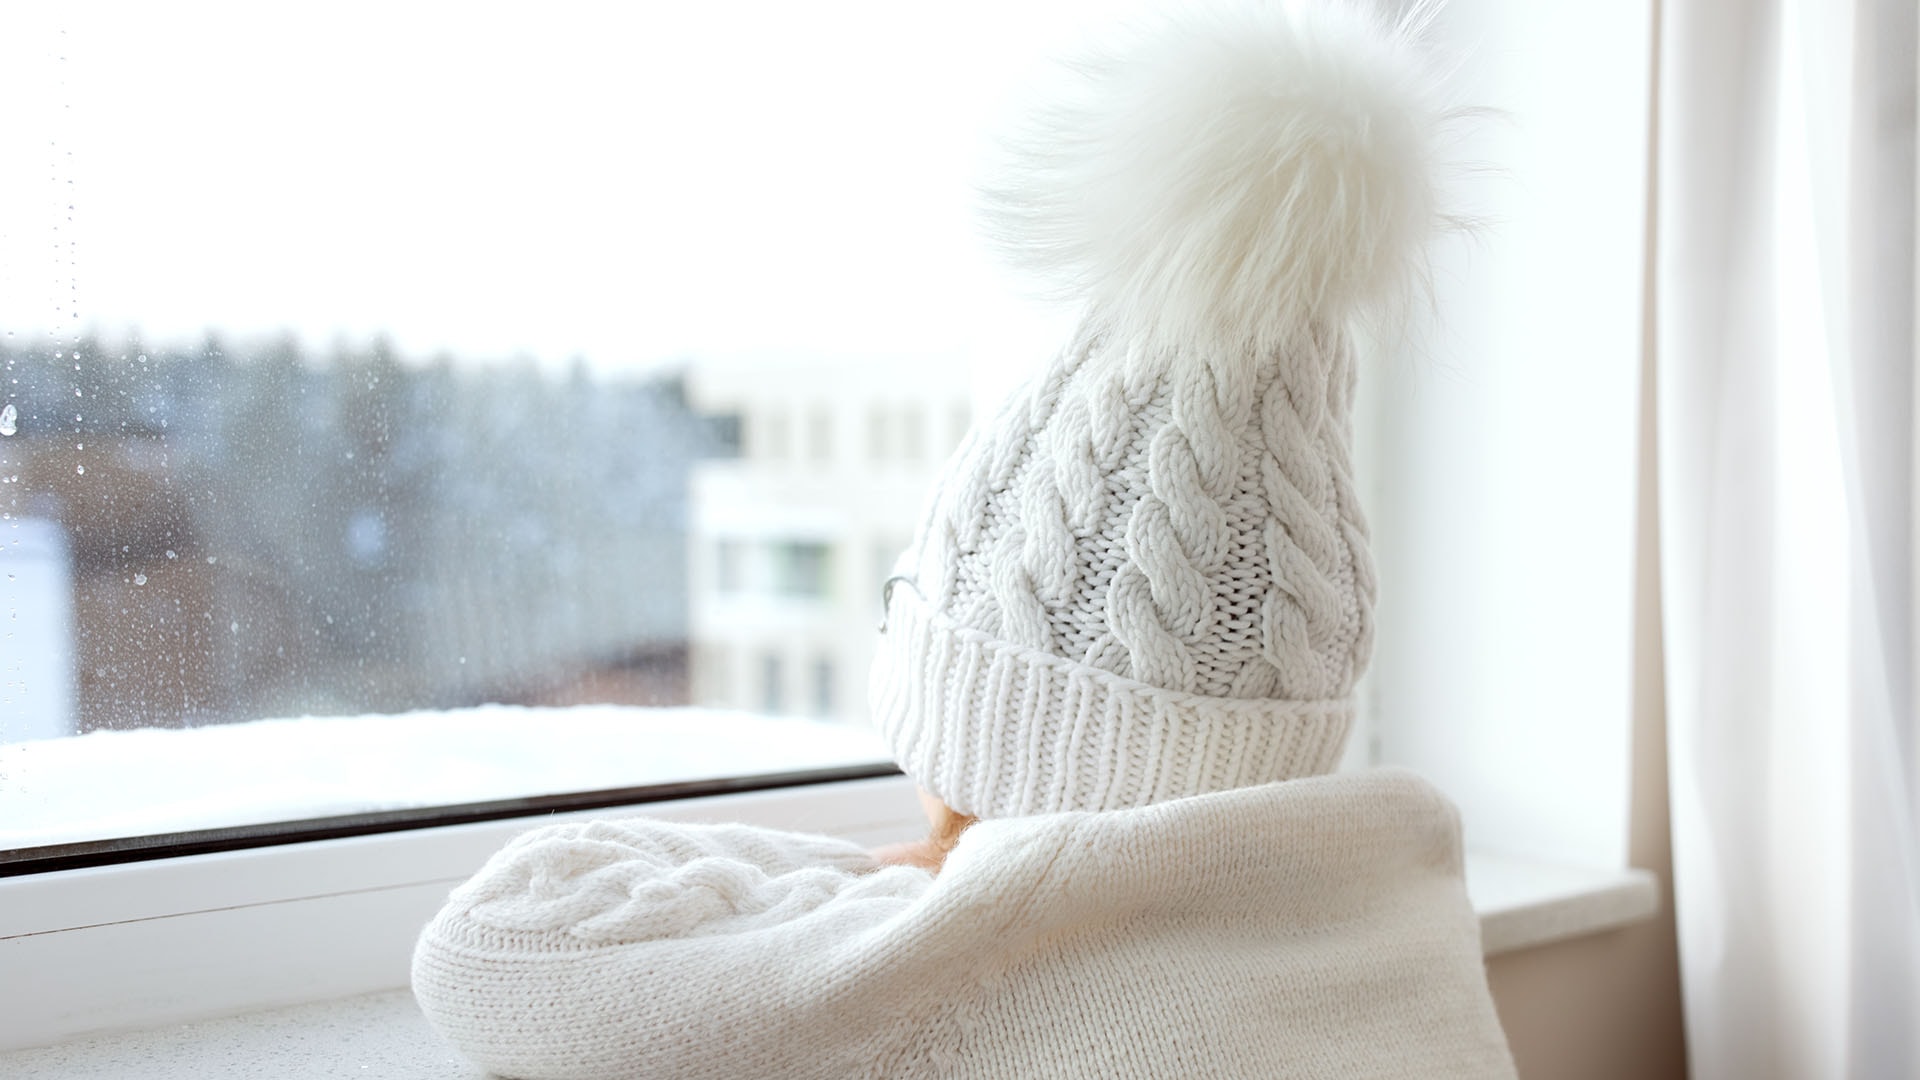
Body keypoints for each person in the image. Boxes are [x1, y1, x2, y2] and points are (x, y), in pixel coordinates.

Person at [412, 3, 1518, 1076]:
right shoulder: (1402, 896)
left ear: (985, 750)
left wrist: (926, 872)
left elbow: (490, 948)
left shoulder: (977, 957)